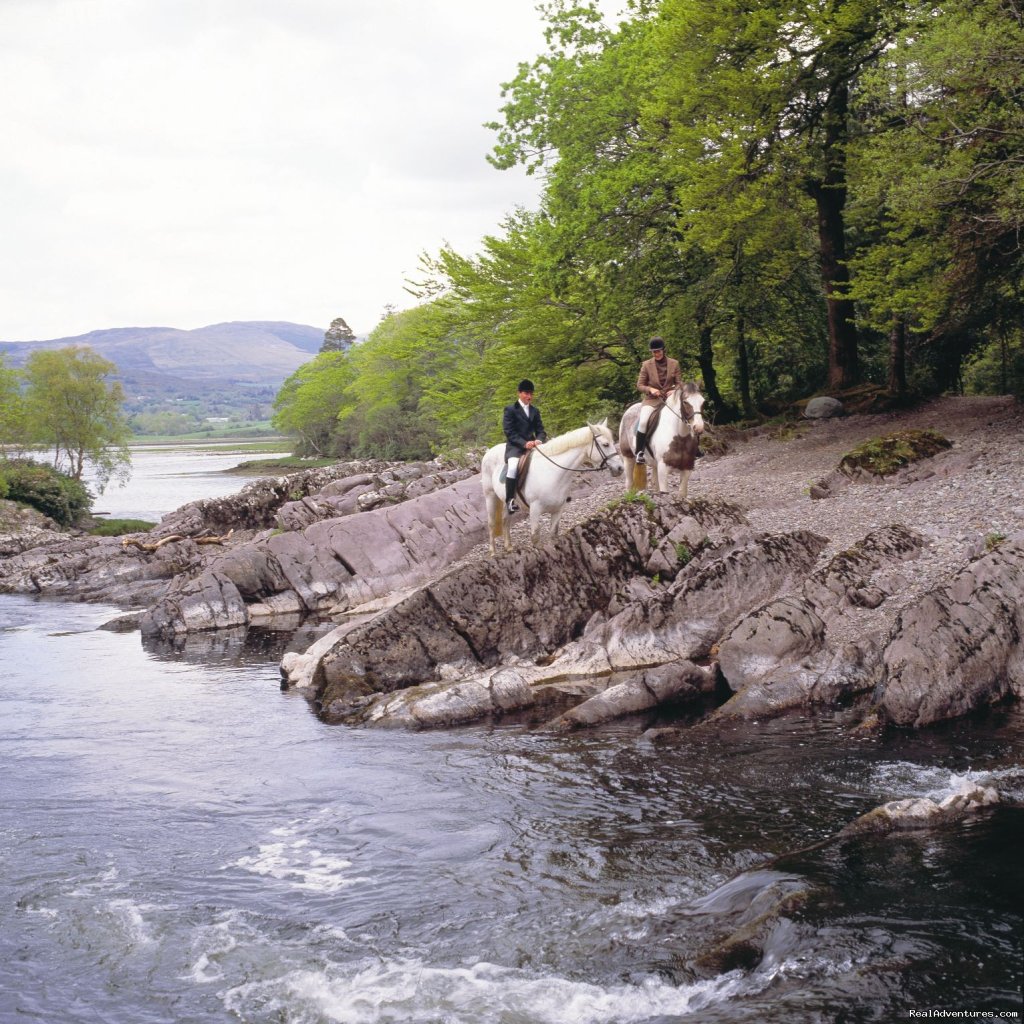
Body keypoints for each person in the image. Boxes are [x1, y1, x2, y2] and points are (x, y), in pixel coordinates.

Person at [502, 379, 548, 514]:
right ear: (519, 393)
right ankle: (510, 501)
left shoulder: (535, 410)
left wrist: (539, 439)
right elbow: (509, 431)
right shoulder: (510, 409)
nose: (529, 397)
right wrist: (524, 443)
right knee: (512, 467)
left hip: (533, 445)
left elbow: (541, 430)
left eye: (531, 394)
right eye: (526, 393)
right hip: (515, 447)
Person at [634, 337, 681, 464]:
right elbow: (640, 385)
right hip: (652, 400)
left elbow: (679, 383)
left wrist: (675, 390)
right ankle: (639, 452)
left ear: (663, 350)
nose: (656, 354)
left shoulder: (674, 363)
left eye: (658, 351)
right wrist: (650, 389)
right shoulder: (646, 365)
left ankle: (693, 446)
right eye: (654, 352)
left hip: (670, 399)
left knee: (687, 413)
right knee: (643, 422)